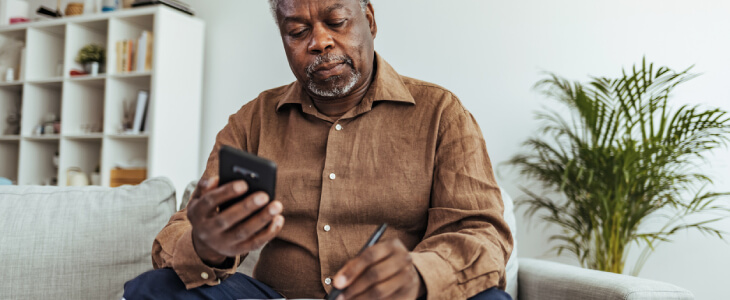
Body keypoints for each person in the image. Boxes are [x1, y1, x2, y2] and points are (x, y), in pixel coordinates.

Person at [123, 0, 513, 299]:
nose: (319, 41)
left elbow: (482, 233)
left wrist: (420, 275)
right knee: (153, 288)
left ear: (370, 20)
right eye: (297, 30)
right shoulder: (252, 120)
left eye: (337, 22)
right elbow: (179, 233)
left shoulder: (441, 112)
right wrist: (206, 246)